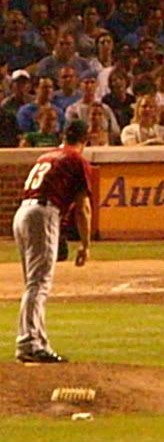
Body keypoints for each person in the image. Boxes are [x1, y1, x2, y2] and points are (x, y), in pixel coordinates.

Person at [14, 120, 93, 363]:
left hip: (22, 214)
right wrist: (85, 245)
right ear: (85, 139)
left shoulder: (46, 156)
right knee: (39, 284)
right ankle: (29, 344)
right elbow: (83, 208)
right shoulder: (76, 160)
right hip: (43, 213)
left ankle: (38, 340)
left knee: (33, 283)